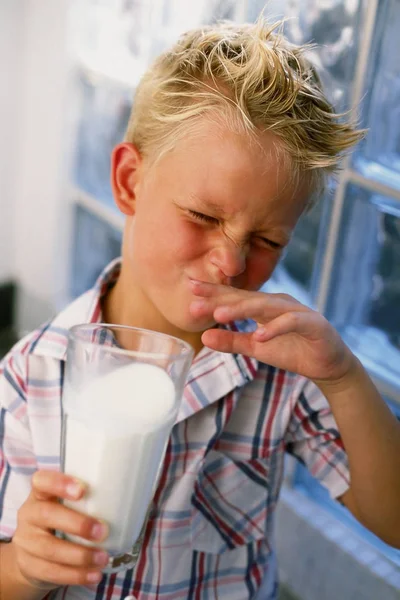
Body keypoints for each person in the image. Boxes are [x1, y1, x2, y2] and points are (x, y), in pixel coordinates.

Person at [1, 17, 400, 600]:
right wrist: (21, 568)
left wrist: (342, 378)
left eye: (267, 241)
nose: (232, 263)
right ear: (130, 182)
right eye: (204, 217)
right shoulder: (31, 375)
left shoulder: (281, 368)